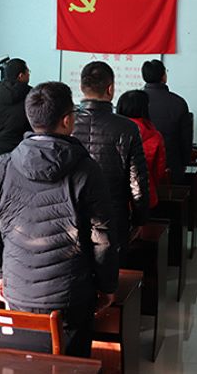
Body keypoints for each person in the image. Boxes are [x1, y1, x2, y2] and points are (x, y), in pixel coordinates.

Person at [0, 81, 117, 357]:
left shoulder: (4, 165)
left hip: (18, 288)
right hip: (70, 293)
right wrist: (107, 286)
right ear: (67, 121)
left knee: (27, 360)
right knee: (71, 364)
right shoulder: (86, 169)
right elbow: (102, 238)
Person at [72, 61, 149, 263]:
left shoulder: (67, 123)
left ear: (81, 87)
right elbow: (137, 181)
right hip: (112, 217)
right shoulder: (127, 128)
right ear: (111, 89)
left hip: (70, 216)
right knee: (109, 272)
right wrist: (140, 219)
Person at [142, 59, 193, 185]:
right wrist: (184, 163)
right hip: (171, 166)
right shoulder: (178, 102)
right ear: (163, 77)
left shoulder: (131, 101)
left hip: (139, 166)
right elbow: (185, 139)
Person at [117, 90, 165, 211]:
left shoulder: (111, 131)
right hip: (144, 194)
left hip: (112, 197)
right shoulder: (154, 135)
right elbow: (159, 171)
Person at [0, 58, 32, 159]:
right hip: (24, 150)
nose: (29, 75)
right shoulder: (31, 96)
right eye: (28, 72)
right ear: (21, 76)